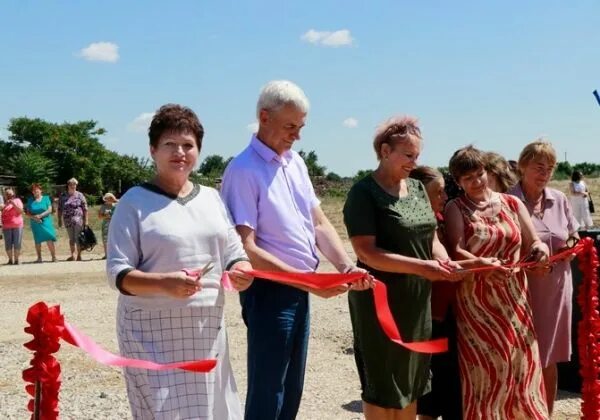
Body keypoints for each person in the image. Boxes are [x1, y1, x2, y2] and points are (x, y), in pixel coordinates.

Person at [221, 80, 371, 420]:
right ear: (264, 117)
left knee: (292, 389)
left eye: (300, 127)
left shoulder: (296, 163)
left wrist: (346, 266)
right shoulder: (243, 170)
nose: (297, 135)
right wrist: (310, 282)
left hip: (298, 289)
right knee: (268, 388)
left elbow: (319, 224)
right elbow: (246, 247)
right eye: (291, 126)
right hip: (269, 292)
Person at [106, 104, 253, 419]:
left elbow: (234, 251)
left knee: (211, 408)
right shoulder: (133, 203)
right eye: (170, 145)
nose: (180, 152)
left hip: (205, 330)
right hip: (150, 334)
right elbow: (118, 274)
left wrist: (240, 269)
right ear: (153, 150)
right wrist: (164, 283)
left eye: (188, 145)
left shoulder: (212, 198)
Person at [343, 118, 463, 420]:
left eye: (417, 156)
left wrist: (442, 258)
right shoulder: (363, 193)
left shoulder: (419, 189)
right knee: (382, 384)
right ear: (385, 151)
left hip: (416, 304)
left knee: (412, 383)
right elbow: (366, 253)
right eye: (408, 155)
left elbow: (430, 235)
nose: (415, 162)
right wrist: (423, 267)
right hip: (380, 305)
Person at [445, 145, 550, 419]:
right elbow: (457, 251)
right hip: (477, 306)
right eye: (468, 179)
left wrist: (540, 250)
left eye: (479, 174)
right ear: (458, 182)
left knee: (522, 370)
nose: (477, 182)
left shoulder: (512, 203)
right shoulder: (456, 208)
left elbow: (533, 240)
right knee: (486, 375)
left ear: (487, 172)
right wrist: (482, 266)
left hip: (515, 301)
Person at [509, 140, 579, 416]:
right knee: (521, 359)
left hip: (556, 290)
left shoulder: (559, 199)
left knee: (549, 359)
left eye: (550, 168)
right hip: (521, 291)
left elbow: (572, 233)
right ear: (523, 165)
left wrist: (572, 245)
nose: (545, 173)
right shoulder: (508, 200)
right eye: (539, 167)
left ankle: (545, 414)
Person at [410, 166, 462, 420]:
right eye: (437, 192)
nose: (443, 197)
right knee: (428, 394)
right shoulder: (410, 227)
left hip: (449, 312)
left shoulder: (441, 219)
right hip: (426, 317)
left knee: (452, 385)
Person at [58, 178, 88, 261]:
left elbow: (85, 208)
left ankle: (79, 255)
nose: (73, 186)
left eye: (74, 185)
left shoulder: (80, 195)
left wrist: (86, 220)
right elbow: (59, 208)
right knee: (71, 238)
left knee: (78, 237)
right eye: (71, 184)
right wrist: (59, 219)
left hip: (78, 220)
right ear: (68, 185)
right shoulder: (63, 195)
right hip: (67, 220)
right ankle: (72, 255)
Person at [25, 183, 57, 263]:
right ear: (32, 192)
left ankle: (54, 257)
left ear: (40, 190)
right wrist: (34, 218)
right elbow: (27, 213)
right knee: (37, 240)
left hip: (46, 221)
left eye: (37, 190)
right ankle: (39, 258)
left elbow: (49, 210)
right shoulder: (30, 200)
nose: (35, 191)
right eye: (34, 190)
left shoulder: (46, 198)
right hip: (35, 223)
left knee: (49, 238)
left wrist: (40, 216)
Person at [1, 188, 24, 265]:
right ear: (5, 195)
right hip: (6, 226)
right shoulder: (3, 203)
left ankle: (16, 260)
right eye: (7, 194)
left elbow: (20, 211)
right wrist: (4, 205)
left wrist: (13, 204)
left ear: (13, 194)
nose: (9, 196)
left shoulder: (17, 200)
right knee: (8, 243)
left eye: (10, 194)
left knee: (17, 242)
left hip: (17, 225)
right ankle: (10, 260)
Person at [98, 192, 118, 259]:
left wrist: (115, 199)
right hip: (106, 225)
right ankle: (107, 254)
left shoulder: (116, 205)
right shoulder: (103, 206)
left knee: (115, 239)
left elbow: (123, 202)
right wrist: (105, 216)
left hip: (115, 224)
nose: (108, 199)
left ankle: (115, 254)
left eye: (110, 198)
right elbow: (100, 216)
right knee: (105, 239)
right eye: (107, 198)